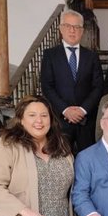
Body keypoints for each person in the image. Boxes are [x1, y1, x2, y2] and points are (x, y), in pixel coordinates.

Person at [40, 9, 103, 153]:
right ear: (61, 29)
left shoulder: (92, 56)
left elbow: (98, 87)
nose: (72, 30)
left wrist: (82, 110)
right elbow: (47, 86)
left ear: (82, 31)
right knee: (59, 159)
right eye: (68, 26)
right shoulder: (50, 55)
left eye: (77, 27)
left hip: (86, 121)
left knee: (87, 162)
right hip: (60, 121)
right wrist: (66, 110)